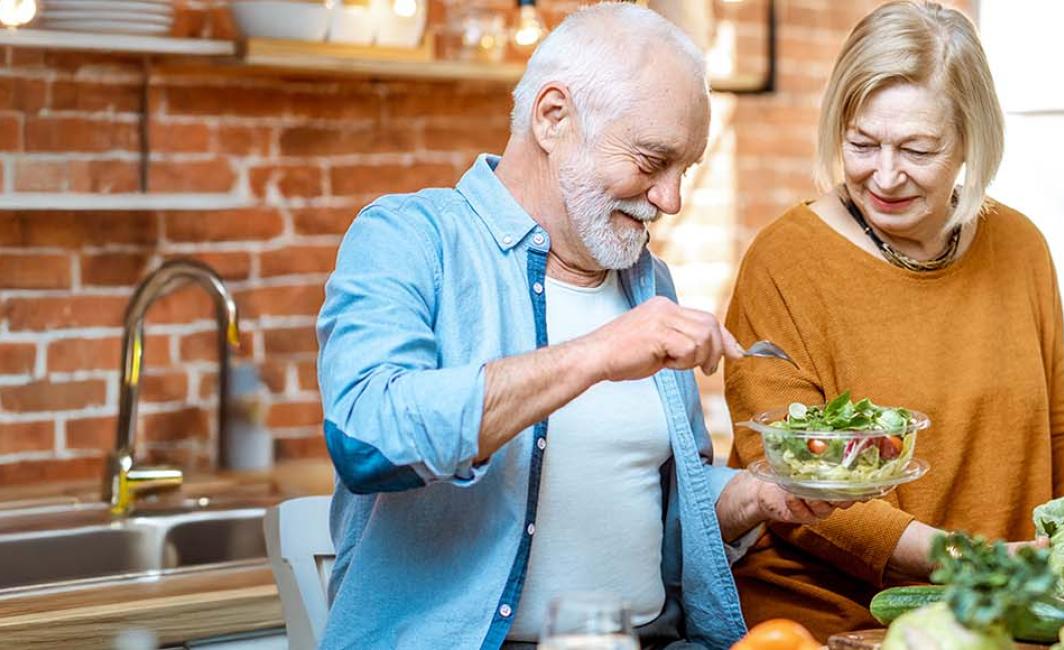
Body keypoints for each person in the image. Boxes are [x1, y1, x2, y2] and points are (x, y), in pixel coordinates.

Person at [316, 4, 850, 649]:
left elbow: (651, 514)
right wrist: (595, 353)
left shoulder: (646, 283)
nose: (671, 199)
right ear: (553, 116)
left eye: (687, 170)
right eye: (652, 160)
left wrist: (757, 497)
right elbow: (365, 439)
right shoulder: (410, 237)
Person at [723, 0, 1064, 642]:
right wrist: (966, 560)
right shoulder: (785, 261)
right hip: (828, 626)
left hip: (991, 619)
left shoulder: (1021, 247)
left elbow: (1054, 435)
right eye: (861, 144)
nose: (884, 175)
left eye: (917, 149)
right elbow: (786, 478)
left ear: (973, 141)